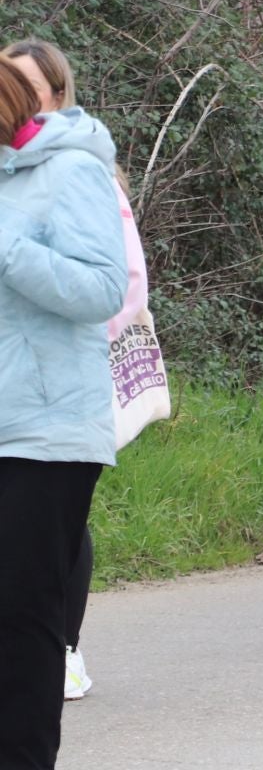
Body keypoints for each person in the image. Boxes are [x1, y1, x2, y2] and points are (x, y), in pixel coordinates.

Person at [0, 62, 128, 770]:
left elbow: (101, 289)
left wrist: (8, 250)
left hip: (48, 427)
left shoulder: (72, 171)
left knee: (23, 602)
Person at [4, 39, 149, 703]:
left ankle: (62, 646)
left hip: (55, 404)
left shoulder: (80, 173)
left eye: (35, 87)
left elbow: (114, 289)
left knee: (40, 568)